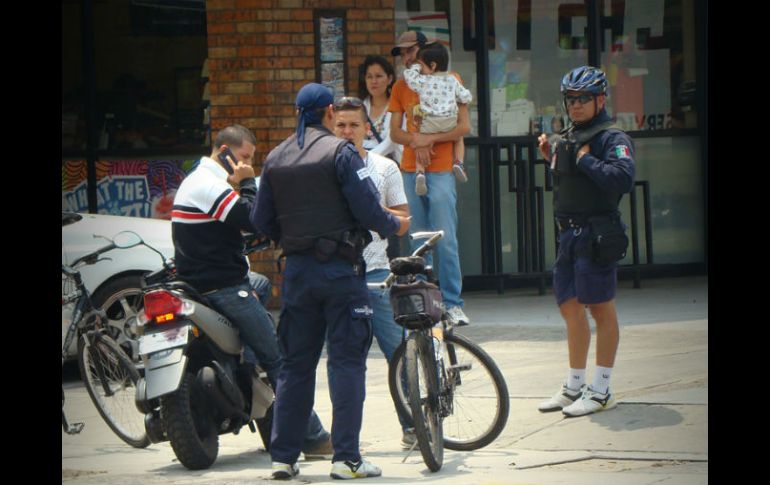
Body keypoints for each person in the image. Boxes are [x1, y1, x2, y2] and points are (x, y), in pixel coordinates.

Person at [251, 83, 410, 480]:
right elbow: (368, 209)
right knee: (346, 364)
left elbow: (260, 221)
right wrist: (395, 224)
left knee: (295, 366)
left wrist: (291, 237)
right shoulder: (340, 152)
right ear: (327, 113)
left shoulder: (275, 158)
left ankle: (284, 458)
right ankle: (347, 459)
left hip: (298, 274)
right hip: (340, 272)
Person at [169, 125, 333, 458]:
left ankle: (251, 374)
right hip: (222, 287)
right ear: (224, 151)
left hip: (205, 281)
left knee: (259, 283)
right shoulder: (209, 184)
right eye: (244, 157)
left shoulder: (197, 181)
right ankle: (314, 439)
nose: (247, 164)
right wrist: (247, 181)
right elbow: (251, 218)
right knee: (280, 360)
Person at [536, 66, 635, 417]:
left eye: (583, 99)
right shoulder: (571, 134)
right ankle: (574, 385)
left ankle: (602, 388)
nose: (575, 106)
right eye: (571, 99)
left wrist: (585, 158)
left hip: (597, 233)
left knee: (600, 308)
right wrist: (554, 155)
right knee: (569, 306)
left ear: (600, 100)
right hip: (568, 233)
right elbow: (574, 180)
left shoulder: (612, 137)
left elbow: (621, 179)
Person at [330, 95, 417, 448]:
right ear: (331, 128)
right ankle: (345, 442)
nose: (347, 131)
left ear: (368, 129)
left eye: (354, 125)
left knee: (400, 353)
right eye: (340, 125)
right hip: (337, 277)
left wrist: (372, 209)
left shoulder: (385, 168)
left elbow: (404, 220)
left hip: (377, 274)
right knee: (345, 361)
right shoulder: (322, 168)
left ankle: (414, 426)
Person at [388, 30, 472, 326]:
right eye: (402, 53)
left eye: (411, 51)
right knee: (418, 241)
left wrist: (427, 139)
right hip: (410, 170)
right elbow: (394, 133)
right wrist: (416, 141)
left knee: (445, 239)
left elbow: (463, 127)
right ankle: (423, 301)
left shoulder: (452, 79)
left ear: (426, 53)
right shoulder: (400, 86)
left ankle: (452, 303)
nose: (406, 58)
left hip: (442, 169)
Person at [402, 41, 472, 195]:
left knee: (422, 138)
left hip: (430, 122)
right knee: (459, 138)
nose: (421, 69)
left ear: (432, 66)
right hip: (449, 121)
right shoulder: (452, 79)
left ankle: (420, 172)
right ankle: (459, 162)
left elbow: (409, 78)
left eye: (422, 66)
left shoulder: (425, 81)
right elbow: (465, 96)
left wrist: (415, 68)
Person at [358, 55, 403, 165]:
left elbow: (391, 142)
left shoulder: (398, 107)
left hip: (390, 167)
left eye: (378, 76)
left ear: (390, 79)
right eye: (369, 77)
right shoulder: (360, 107)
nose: (374, 81)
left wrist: (367, 159)